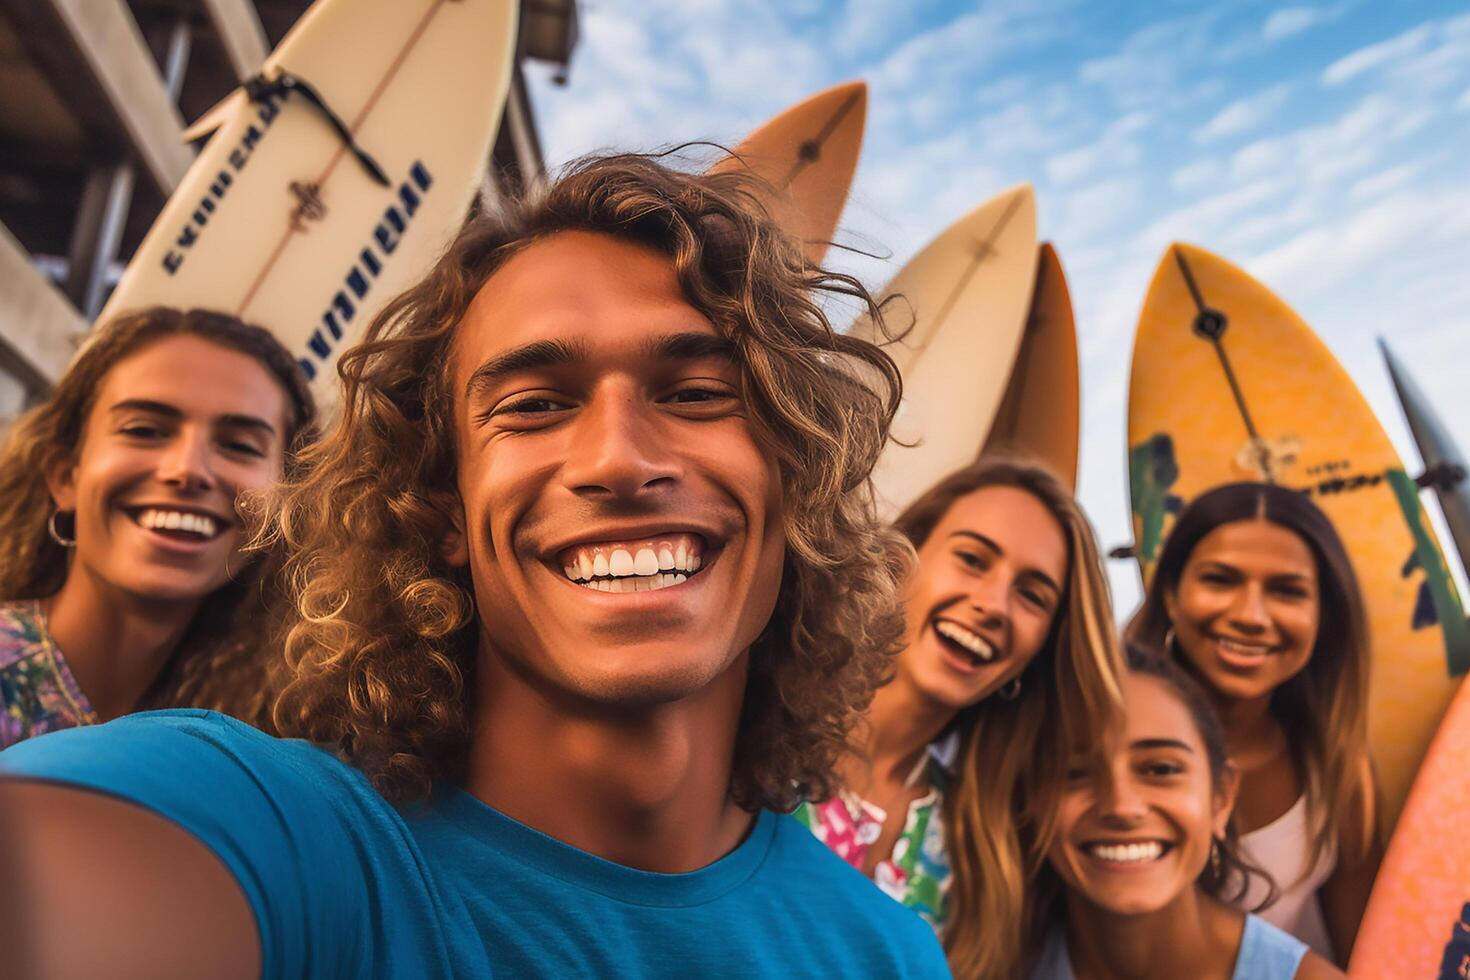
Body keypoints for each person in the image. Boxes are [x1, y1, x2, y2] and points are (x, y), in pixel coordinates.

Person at [0, 154, 948, 978]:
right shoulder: (294, 841)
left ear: (797, 482)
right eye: (533, 406)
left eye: (699, 393)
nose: (617, 457)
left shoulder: (890, 955)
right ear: (443, 510)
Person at [798, 457, 1125, 976]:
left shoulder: (983, 850)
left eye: (1032, 595)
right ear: (902, 559)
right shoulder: (752, 731)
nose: (994, 604)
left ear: (1040, 651)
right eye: (973, 559)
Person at [0, 307, 316, 746]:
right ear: (66, 477)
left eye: (240, 446)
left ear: (287, 499)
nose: (188, 470)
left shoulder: (272, 729)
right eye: (145, 430)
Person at [1126, 482, 1381, 963]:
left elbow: (1371, 959)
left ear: (1323, 616)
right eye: (1221, 580)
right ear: (1172, 596)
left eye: (1287, 591)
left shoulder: (1336, 767)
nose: (1251, 615)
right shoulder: (1089, 742)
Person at [1026, 643, 1342, 979]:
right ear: (1029, 802)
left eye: (1161, 770)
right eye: (1075, 773)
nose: (1121, 807)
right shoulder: (987, 964)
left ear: (1220, 798)